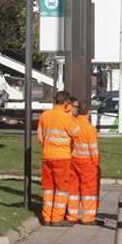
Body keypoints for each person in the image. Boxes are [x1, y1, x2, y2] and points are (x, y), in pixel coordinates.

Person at [38, 91, 81, 226]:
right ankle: (57, 218)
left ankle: (46, 216)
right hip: (62, 157)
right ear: (67, 103)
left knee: (48, 188)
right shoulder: (66, 118)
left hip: (47, 156)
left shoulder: (45, 115)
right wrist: (70, 114)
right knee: (61, 189)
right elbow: (77, 132)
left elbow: (40, 136)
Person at [66, 100, 101, 225]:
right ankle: (88, 217)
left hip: (73, 160)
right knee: (89, 190)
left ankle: (72, 215)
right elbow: (93, 148)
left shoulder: (72, 124)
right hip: (87, 162)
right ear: (89, 112)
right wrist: (96, 163)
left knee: (73, 189)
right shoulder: (90, 128)